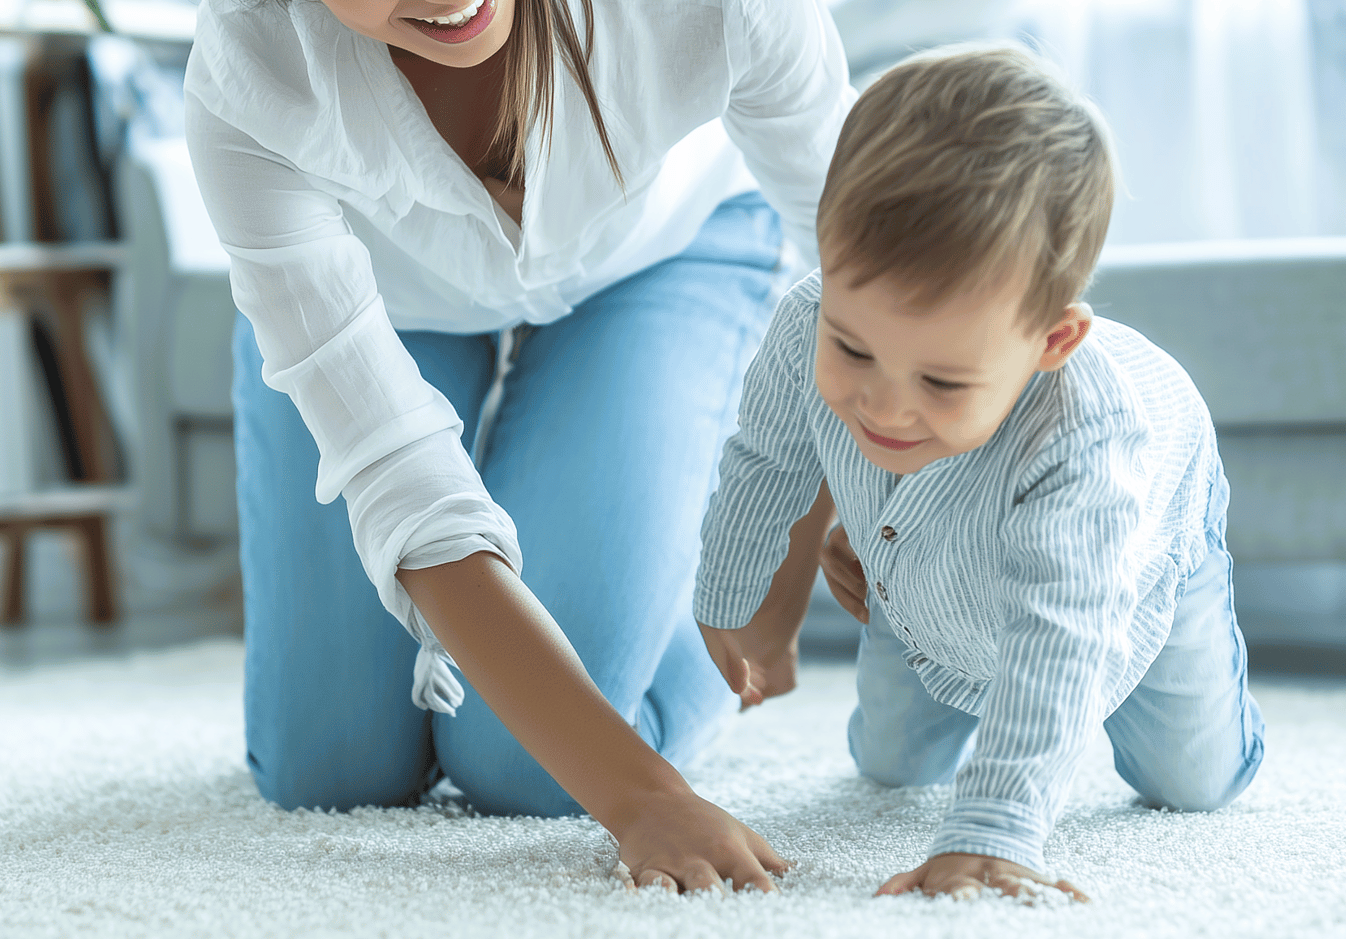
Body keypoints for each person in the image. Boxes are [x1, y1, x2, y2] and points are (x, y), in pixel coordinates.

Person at [184, 0, 854, 893]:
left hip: (659, 257)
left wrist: (806, 523)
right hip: (382, 299)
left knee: (529, 771)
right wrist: (643, 797)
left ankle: (681, 576)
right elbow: (401, 477)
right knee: (330, 767)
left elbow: (859, 254)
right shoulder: (252, 69)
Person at [695, 44, 1267, 903]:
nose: (883, 408)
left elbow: (1061, 633)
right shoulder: (807, 317)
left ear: (1050, 343)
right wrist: (729, 598)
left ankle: (1199, 617)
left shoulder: (1088, 441)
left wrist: (994, 828)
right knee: (886, 764)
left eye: (942, 381)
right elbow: (764, 460)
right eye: (853, 347)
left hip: (1127, 572)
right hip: (929, 574)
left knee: (1193, 782)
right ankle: (912, 544)